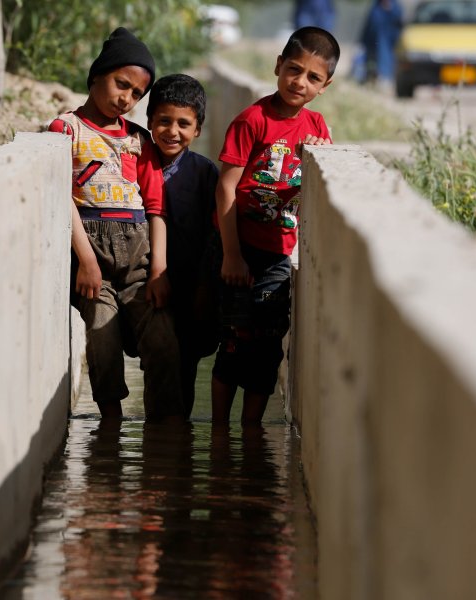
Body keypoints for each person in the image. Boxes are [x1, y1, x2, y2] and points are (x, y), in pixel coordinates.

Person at [48, 28, 183, 421]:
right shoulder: (66, 130)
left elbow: (155, 207)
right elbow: (61, 196)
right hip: (92, 258)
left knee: (163, 341)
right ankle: (110, 432)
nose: (126, 98)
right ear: (96, 76)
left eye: (137, 93)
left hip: (139, 259)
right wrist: (86, 261)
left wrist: (158, 268)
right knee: (102, 342)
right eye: (121, 84)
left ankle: (164, 436)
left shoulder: (139, 141)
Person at [212, 26, 339, 425]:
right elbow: (226, 188)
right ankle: (218, 431)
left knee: (267, 343)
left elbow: (323, 175)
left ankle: (250, 430)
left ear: (325, 85)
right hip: (242, 247)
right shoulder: (253, 120)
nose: (299, 82)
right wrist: (231, 254)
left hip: (279, 256)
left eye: (312, 77)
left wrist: (323, 150)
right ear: (278, 66)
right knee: (235, 337)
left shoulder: (317, 127)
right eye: (293, 69)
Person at [145, 74, 220, 419]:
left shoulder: (205, 174)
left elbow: (214, 233)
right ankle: (159, 440)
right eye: (164, 121)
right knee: (158, 356)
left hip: (191, 285)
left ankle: (174, 446)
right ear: (149, 122)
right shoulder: (136, 165)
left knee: (186, 362)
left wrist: (206, 286)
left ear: (198, 130)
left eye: (183, 124)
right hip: (146, 281)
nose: (172, 132)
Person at [359, 0, 403, 89]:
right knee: (370, 63)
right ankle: (369, 79)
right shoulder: (375, 6)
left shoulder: (394, 7)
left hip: (387, 44)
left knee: (385, 62)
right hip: (372, 43)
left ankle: (384, 80)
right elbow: (369, 24)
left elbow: (398, 25)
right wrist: (362, 40)